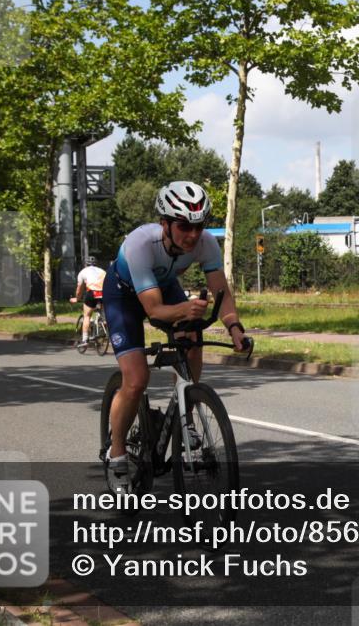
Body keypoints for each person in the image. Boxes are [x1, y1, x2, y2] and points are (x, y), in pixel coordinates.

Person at [102, 181, 247, 494]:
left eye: (199, 226)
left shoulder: (206, 243)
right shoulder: (140, 244)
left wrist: (235, 326)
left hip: (163, 285)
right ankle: (116, 455)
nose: (193, 235)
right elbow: (154, 309)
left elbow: (222, 291)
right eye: (184, 226)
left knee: (192, 340)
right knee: (137, 379)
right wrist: (186, 307)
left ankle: (186, 417)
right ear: (164, 223)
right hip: (124, 296)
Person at [69, 256, 106, 347]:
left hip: (92, 293)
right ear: (96, 264)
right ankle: (106, 330)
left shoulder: (83, 272)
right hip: (105, 293)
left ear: (85, 264)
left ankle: (85, 339)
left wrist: (77, 298)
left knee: (87, 316)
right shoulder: (103, 271)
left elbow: (79, 289)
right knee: (104, 314)